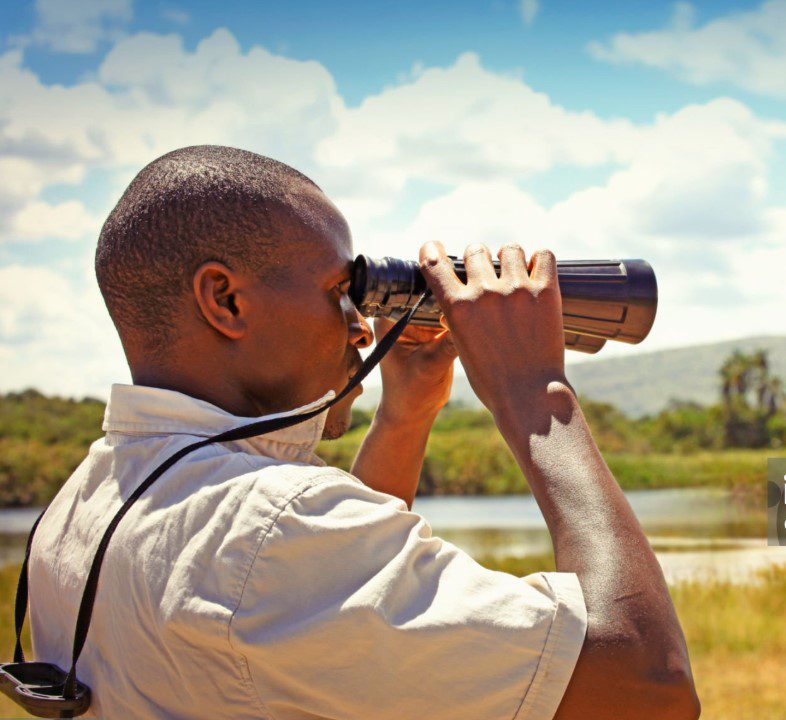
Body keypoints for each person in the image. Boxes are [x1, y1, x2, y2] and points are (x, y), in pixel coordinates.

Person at [27, 145, 700, 720]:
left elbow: (327, 622)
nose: (359, 325)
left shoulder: (85, 501)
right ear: (226, 300)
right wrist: (535, 391)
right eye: (338, 290)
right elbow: (647, 685)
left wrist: (405, 415)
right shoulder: (264, 532)